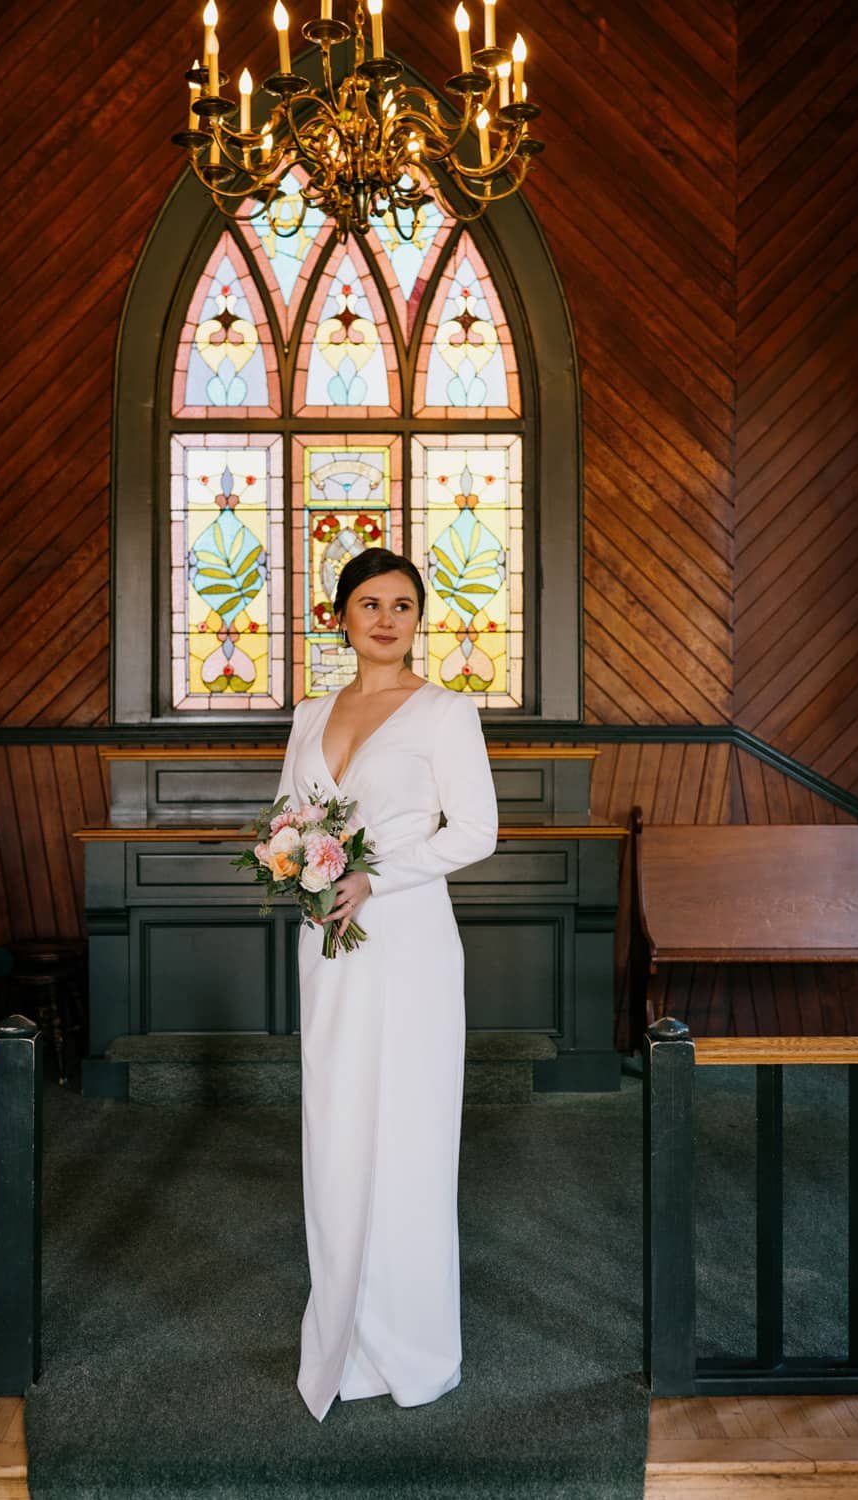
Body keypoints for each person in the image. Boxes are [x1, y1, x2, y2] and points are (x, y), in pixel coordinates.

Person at [271, 546, 499, 1421]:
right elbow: (290, 818)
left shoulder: (445, 712)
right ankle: (341, 1330)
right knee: (334, 1124)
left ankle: (409, 1339)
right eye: (370, 602)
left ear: (418, 618)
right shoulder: (308, 713)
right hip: (327, 942)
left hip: (406, 939)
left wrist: (376, 874)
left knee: (406, 1129)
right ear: (341, 616)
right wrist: (300, 869)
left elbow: (476, 831)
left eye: (403, 603)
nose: (387, 617)